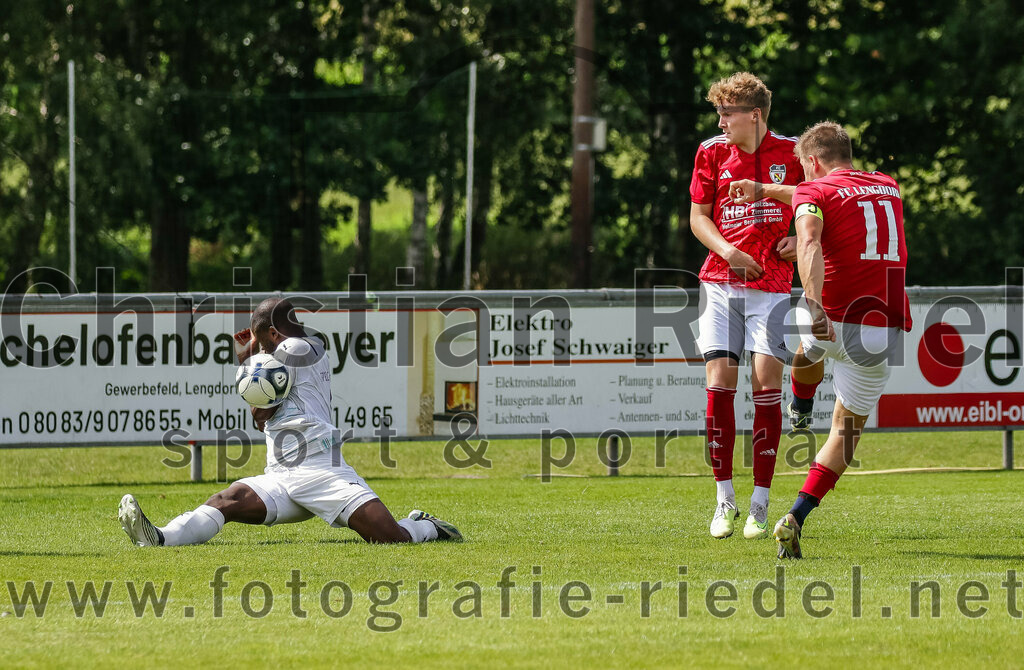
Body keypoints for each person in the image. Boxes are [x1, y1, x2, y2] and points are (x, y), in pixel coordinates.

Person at [118, 297, 462, 547]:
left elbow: (260, 411)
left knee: (390, 537)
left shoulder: (292, 349)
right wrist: (254, 360)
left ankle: (423, 526)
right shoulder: (299, 347)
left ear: (272, 333)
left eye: (260, 341)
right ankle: (160, 537)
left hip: (323, 472)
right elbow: (261, 416)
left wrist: (248, 360)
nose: (259, 349)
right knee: (227, 500)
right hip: (281, 475)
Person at [772, 121, 912, 558]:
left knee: (808, 343)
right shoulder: (888, 186)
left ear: (813, 161)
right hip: (880, 328)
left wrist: (813, 302)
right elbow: (840, 212)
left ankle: (801, 404)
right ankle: (796, 515)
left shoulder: (812, 192)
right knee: (845, 433)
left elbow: (810, 239)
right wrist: (766, 189)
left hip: (831, 313)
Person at [688, 72, 803, 539]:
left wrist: (801, 239)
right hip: (720, 282)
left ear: (754, 115)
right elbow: (698, 217)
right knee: (719, 383)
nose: (721, 121)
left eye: (727, 113)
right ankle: (724, 500)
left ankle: (760, 502)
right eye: (718, 113)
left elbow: (820, 203)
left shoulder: (794, 153)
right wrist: (728, 251)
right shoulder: (711, 152)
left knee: (766, 386)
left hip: (771, 286)